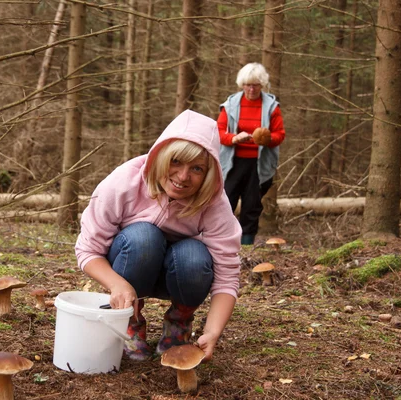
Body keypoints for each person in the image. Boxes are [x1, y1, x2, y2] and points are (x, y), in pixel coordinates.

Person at [75, 110, 242, 362]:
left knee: (194, 255)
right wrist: (117, 284)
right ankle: (129, 322)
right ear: (161, 156)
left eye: (196, 168)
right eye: (176, 161)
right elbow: (88, 250)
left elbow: (227, 278)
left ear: (209, 173)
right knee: (144, 236)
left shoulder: (214, 204)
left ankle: (179, 323)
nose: (183, 176)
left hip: (180, 274)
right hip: (130, 264)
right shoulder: (123, 182)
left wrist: (212, 331)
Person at [217, 62, 286, 245]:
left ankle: (246, 245)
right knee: (225, 203)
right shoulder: (231, 104)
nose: (251, 89)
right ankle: (222, 242)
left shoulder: (271, 107)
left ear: (261, 85)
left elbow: (280, 135)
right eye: (248, 84)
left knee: (252, 206)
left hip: (258, 164)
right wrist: (234, 138)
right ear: (242, 85)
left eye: (255, 85)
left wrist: (267, 138)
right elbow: (219, 132)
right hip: (233, 163)